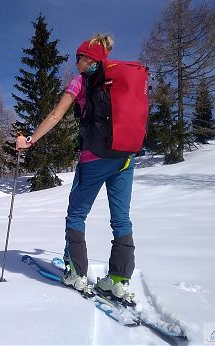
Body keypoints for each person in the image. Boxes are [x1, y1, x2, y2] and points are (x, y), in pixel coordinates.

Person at [16, 34, 136, 305]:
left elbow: (56, 115)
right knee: (121, 219)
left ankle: (77, 274)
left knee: (76, 215)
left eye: (79, 58)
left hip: (93, 159)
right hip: (125, 159)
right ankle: (118, 282)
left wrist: (30, 140)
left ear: (88, 58)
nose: (76, 62)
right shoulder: (120, 79)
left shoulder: (80, 82)